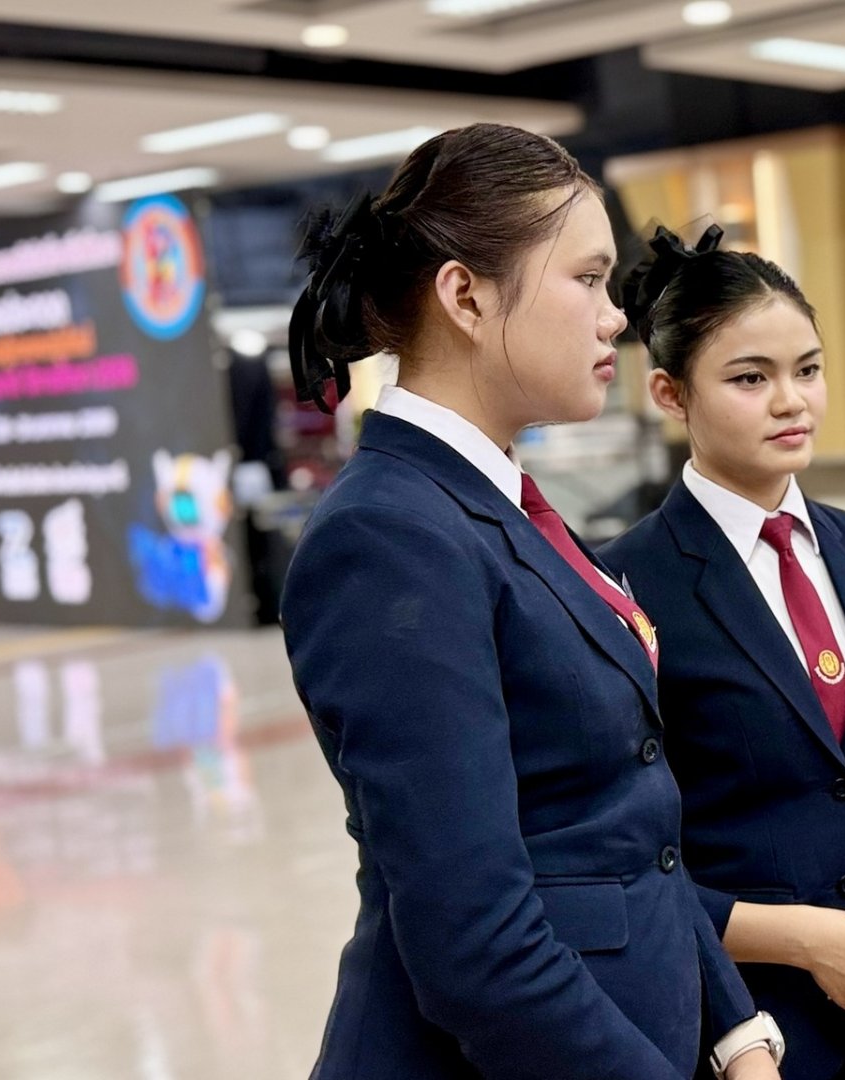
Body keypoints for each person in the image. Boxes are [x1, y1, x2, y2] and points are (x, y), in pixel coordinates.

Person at [279, 125, 782, 1080]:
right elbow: (477, 944)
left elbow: (629, 837)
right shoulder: (388, 537)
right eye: (587, 279)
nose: (615, 317)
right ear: (465, 296)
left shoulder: (505, 508)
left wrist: (736, 1030)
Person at [599, 224, 845, 1080]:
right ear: (670, 393)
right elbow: (623, 859)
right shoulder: (623, 584)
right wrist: (802, 941)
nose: (791, 401)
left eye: (807, 369)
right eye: (750, 378)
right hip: (749, 1035)